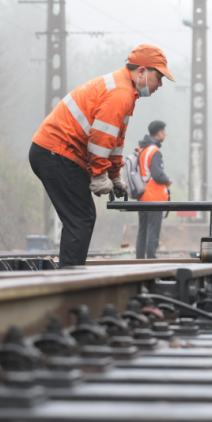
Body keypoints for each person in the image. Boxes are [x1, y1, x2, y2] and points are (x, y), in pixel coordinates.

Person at [30, 45, 173, 266]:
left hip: (56, 152)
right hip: (57, 152)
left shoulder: (124, 90)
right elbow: (100, 137)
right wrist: (98, 174)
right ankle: (69, 277)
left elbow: (114, 141)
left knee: (81, 216)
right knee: (80, 217)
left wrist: (114, 176)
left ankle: (69, 273)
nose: (160, 84)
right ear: (142, 71)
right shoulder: (120, 93)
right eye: (159, 77)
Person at [135, 120, 171, 259]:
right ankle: (151, 261)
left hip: (142, 196)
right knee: (153, 230)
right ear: (160, 133)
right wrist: (167, 180)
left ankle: (139, 260)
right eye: (165, 132)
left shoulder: (142, 149)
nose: (166, 134)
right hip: (154, 197)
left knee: (142, 230)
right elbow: (157, 174)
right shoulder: (154, 150)